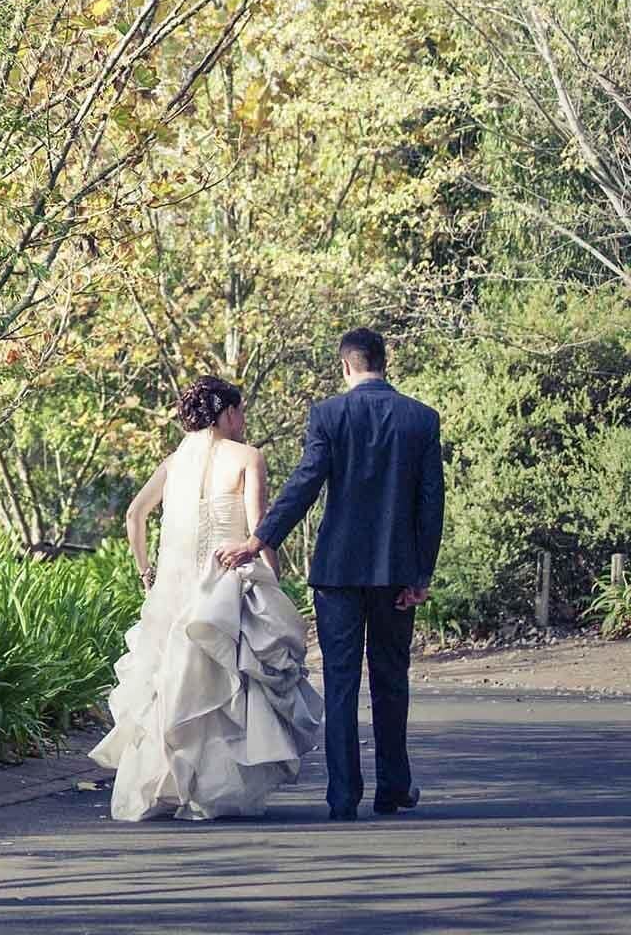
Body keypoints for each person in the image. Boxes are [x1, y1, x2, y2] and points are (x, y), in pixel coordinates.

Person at [218, 327, 445, 822]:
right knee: (391, 679)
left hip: (338, 570)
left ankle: (343, 797)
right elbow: (431, 505)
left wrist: (260, 540)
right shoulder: (421, 420)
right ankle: (393, 788)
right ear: (385, 362)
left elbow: (304, 484)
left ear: (346, 366)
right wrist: (420, 574)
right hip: (395, 572)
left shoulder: (329, 415)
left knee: (340, 682)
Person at [91, 376, 322, 820]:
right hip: (225, 582)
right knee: (224, 688)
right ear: (228, 412)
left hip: (173, 589)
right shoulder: (249, 457)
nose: (244, 421)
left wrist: (146, 573)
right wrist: (271, 579)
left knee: (170, 685)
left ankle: (169, 785)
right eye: (242, 412)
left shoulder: (173, 463)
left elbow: (134, 514)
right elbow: (259, 528)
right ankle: (214, 790)